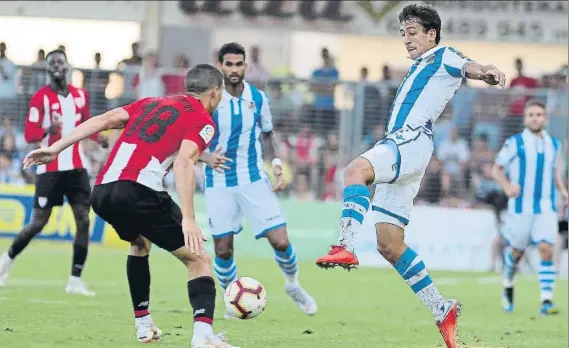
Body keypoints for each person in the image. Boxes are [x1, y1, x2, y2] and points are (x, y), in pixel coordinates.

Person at [315, 4, 506, 348]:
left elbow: (468, 66)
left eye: (413, 32)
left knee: (354, 170)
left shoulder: (442, 55)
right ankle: (441, 308)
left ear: (431, 34)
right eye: (403, 33)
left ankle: (345, 245)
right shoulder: (419, 66)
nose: (406, 39)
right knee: (389, 244)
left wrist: (487, 71)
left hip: (411, 139)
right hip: (407, 147)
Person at [22, 64, 239, 348]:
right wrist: (189, 218)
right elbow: (183, 162)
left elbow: (104, 119)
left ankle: (143, 325)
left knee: (139, 243)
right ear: (214, 91)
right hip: (139, 190)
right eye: (220, 94)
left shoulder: (152, 103)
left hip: (102, 192)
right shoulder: (203, 118)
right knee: (198, 259)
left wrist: (55, 147)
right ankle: (203, 336)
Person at [200, 42, 317, 318]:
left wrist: (276, 164)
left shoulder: (259, 98)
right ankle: (232, 299)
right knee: (223, 248)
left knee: (281, 241)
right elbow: (192, 137)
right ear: (220, 66)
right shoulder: (210, 99)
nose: (234, 69)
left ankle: (293, 285)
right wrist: (204, 157)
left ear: (245, 66)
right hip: (218, 181)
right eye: (228, 64)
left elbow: (267, 133)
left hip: (253, 178)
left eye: (238, 64)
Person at [0, 49, 108, 296]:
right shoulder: (41, 98)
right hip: (50, 169)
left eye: (60, 62)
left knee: (83, 219)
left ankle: (75, 280)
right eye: (52, 63)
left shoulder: (80, 96)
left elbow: (85, 124)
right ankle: (7, 259)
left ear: (67, 66)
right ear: (48, 69)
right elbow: (29, 134)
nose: (57, 66)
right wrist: (48, 128)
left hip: (77, 168)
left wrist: (98, 136)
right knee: (38, 222)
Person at [492, 99, 568, 316]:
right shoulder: (514, 142)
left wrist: (562, 190)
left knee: (546, 249)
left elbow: (554, 173)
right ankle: (508, 284)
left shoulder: (554, 144)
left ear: (545, 118)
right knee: (516, 252)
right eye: (531, 115)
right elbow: (496, 170)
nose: (535, 118)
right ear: (525, 119)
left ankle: (546, 300)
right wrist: (507, 186)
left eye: (539, 114)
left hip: (545, 206)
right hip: (520, 207)